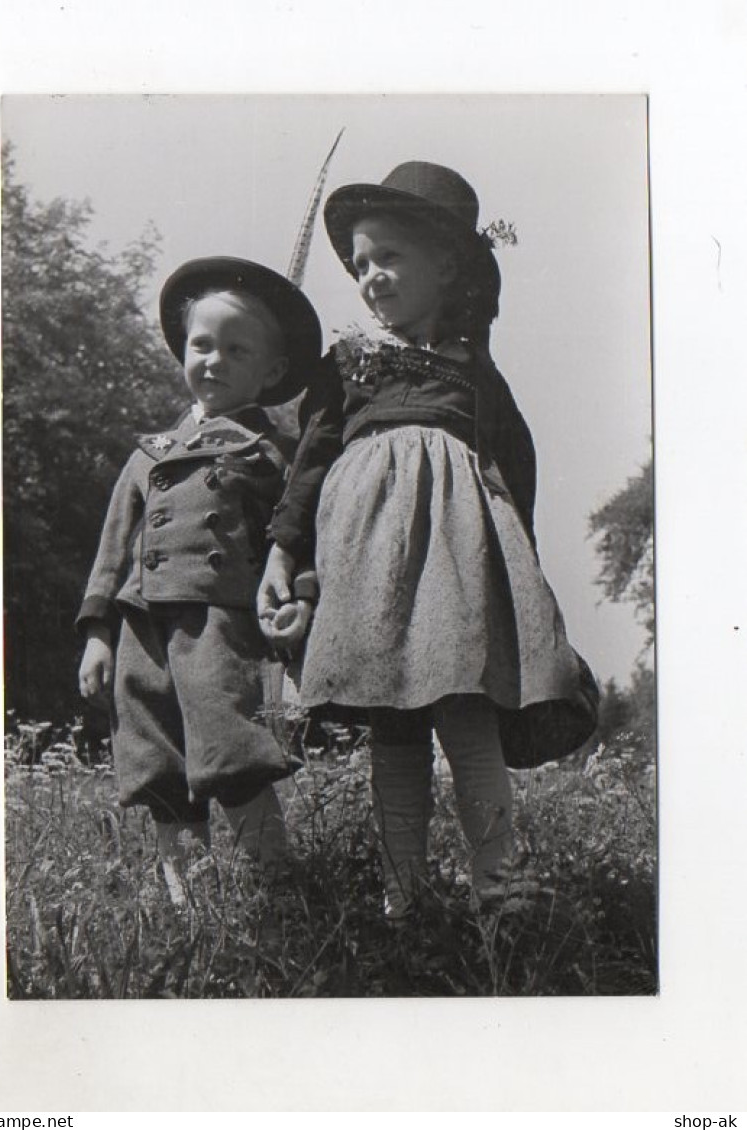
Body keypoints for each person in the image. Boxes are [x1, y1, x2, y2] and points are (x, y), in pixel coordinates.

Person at [258, 162, 598, 919]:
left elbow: (517, 473)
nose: (371, 277)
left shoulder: (476, 374)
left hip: (454, 558)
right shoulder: (348, 362)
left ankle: (499, 883)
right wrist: (284, 554)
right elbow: (309, 462)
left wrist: (524, 586)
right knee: (393, 727)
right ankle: (401, 896)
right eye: (359, 265)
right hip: (363, 558)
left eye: (389, 258)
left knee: (466, 711)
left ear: (446, 266)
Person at [77, 257, 322, 903]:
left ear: (270, 372)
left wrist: (299, 599)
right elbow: (112, 550)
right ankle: (191, 910)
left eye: (236, 350)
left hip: (219, 626)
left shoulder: (272, 454)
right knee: (159, 762)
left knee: (232, 753)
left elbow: (295, 538)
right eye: (201, 344)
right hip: (140, 627)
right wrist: (98, 633)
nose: (213, 361)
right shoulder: (148, 453)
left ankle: (277, 893)